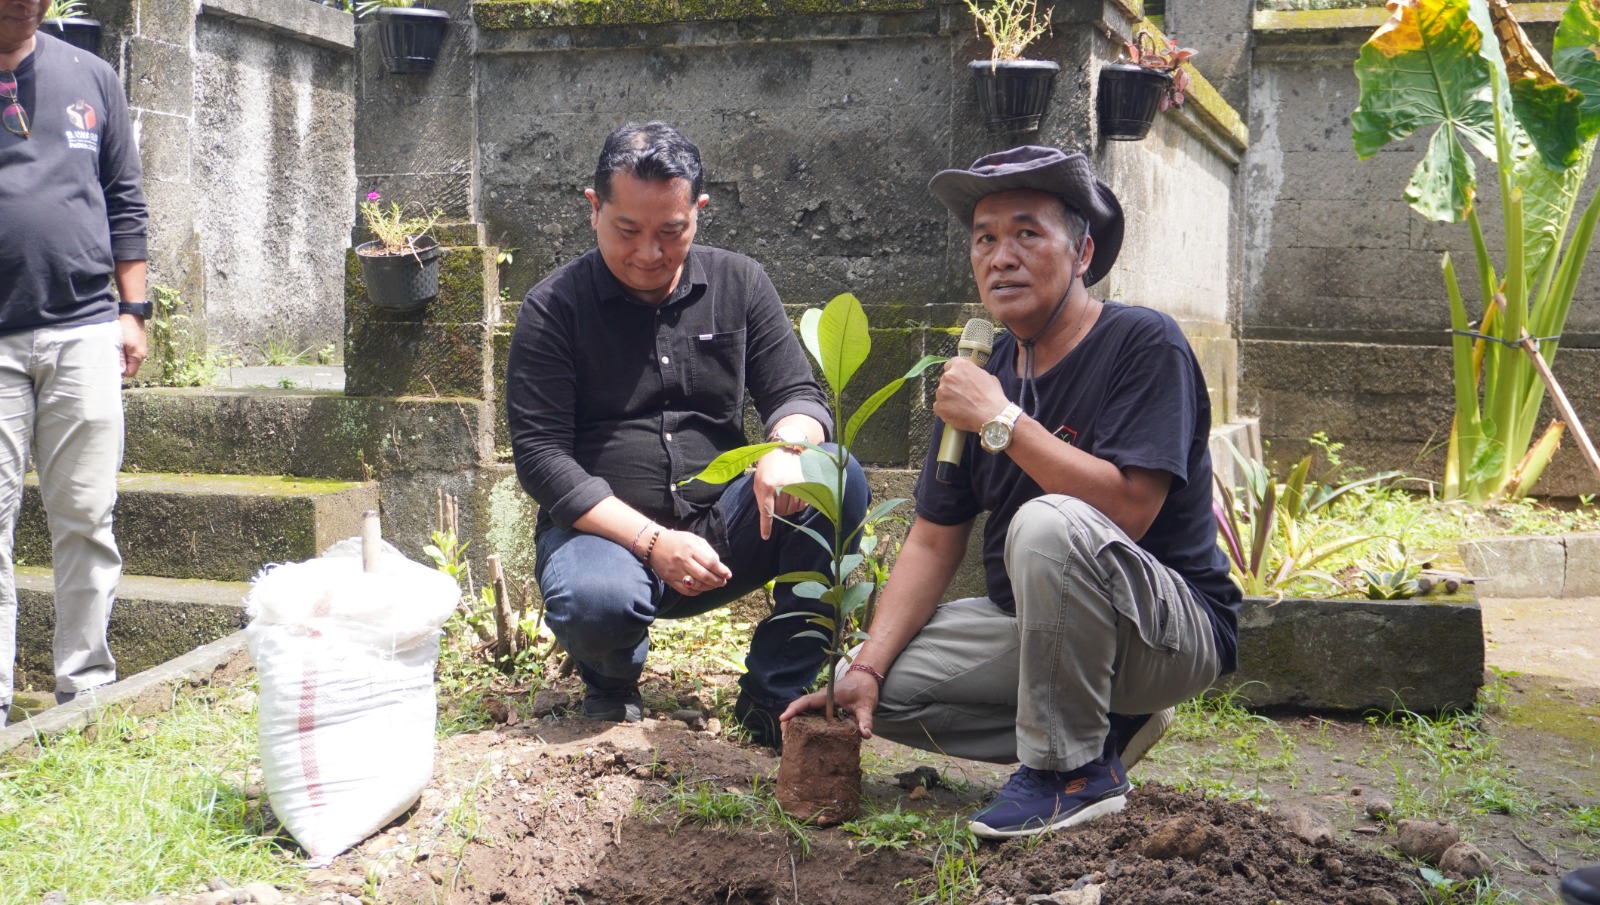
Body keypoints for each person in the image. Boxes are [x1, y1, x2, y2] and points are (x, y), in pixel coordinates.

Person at [783, 145, 1241, 838]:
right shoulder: (981, 370)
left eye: (1028, 233)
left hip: (1167, 631)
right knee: (876, 688)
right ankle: (1110, 725)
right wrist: (869, 662)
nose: (1002, 256)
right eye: (985, 238)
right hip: (1035, 625)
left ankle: (1070, 772)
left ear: (1083, 252)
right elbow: (936, 537)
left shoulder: (1145, 344)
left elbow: (1126, 509)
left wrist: (1000, 419)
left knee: (1050, 522)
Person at [505, 122, 866, 748]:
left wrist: (789, 447)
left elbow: (798, 396)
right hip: (607, 540)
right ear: (594, 210)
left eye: (671, 232)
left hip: (724, 527)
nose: (649, 253)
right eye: (628, 231)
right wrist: (650, 542)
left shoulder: (741, 283)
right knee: (596, 602)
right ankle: (612, 682)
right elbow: (540, 457)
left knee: (836, 474)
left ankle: (775, 692)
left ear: (697, 212)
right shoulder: (553, 308)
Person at [0, 0, 150, 727]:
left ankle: (83, 690)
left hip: (85, 330)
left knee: (87, 519)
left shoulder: (93, 78)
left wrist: (135, 311)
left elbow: (124, 198)